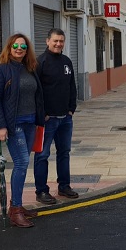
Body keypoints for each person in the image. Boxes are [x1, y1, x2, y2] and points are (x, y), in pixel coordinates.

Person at [0, 33, 46, 228]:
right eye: (15, 46)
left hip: (31, 123)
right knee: (21, 163)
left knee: (24, 162)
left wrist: (41, 115)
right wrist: (1, 125)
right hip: (14, 125)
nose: (19, 49)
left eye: (23, 46)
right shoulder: (1, 70)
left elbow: (36, 94)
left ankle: (18, 206)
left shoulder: (29, 68)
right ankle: (15, 210)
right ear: (9, 48)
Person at [34, 28, 78, 205]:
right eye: (55, 41)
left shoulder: (67, 61)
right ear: (47, 41)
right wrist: (42, 113)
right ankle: (41, 191)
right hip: (47, 120)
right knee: (42, 155)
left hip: (65, 119)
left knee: (64, 153)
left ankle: (64, 186)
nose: (58, 44)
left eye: (61, 41)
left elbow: (72, 86)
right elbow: (36, 91)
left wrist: (71, 109)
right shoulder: (40, 62)